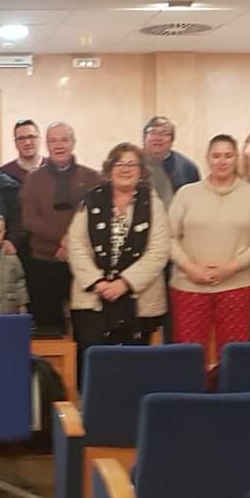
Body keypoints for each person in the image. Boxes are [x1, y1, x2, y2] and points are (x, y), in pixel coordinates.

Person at [67, 143, 169, 381]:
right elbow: (76, 245)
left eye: (132, 163)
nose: (125, 169)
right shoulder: (90, 201)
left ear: (141, 170)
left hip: (139, 300)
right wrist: (98, 283)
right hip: (93, 299)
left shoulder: (154, 204)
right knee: (96, 368)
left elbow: (159, 250)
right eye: (119, 163)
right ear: (109, 168)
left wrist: (124, 283)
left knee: (134, 371)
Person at [167, 134, 250, 357]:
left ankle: (231, 393)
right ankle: (191, 393)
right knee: (189, 355)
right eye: (216, 156)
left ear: (237, 158)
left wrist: (231, 268)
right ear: (207, 158)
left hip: (237, 286)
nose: (222, 161)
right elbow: (168, 237)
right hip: (189, 285)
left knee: (234, 355)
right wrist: (190, 268)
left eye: (228, 155)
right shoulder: (187, 193)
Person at [20, 122, 101, 335]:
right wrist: (62, 239)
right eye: (53, 140)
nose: (59, 145)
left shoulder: (92, 177)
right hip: (44, 261)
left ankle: (85, 368)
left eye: (64, 139)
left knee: (86, 326)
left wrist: (72, 244)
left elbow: (96, 218)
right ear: (46, 144)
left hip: (84, 263)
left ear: (73, 142)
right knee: (48, 330)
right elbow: (29, 219)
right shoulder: (34, 179)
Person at [142, 115, 200, 194]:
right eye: (153, 132)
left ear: (172, 140)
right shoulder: (132, 163)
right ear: (144, 138)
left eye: (164, 133)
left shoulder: (187, 168)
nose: (158, 138)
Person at [0, 119, 45, 187]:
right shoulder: (4, 174)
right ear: (15, 143)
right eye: (21, 138)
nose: (27, 143)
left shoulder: (54, 168)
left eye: (31, 137)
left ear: (39, 139)